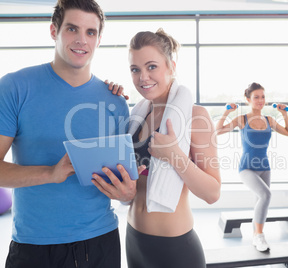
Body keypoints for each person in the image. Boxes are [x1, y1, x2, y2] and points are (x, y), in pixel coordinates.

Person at [0, 1, 130, 267]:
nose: (82, 40)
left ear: (99, 39)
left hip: (101, 242)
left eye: (91, 32)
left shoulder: (116, 102)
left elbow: (126, 184)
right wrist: (50, 173)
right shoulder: (14, 87)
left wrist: (127, 194)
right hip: (34, 246)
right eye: (72, 29)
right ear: (53, 31)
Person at [92, 29, 221, 268]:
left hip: (175, 249)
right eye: (135, 69)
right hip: (134, 241)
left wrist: (174, 155)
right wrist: (109, 97)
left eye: (152, 67)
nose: (143, 77)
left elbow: (212, 193)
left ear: (171, 66)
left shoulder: (195, 116)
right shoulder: (136, 116)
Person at [215, 82, 288, 252]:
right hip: (246, 168)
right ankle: (259, 236)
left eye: (262, 97)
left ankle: (255, 235)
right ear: (248, 99)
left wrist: (284, 115)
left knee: (261, 200)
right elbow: (218, 130)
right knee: (266, 195)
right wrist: (226, 112)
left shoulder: (269, 120)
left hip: (265, 166)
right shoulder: (241, 119)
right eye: (256, 97)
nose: (260, 100)